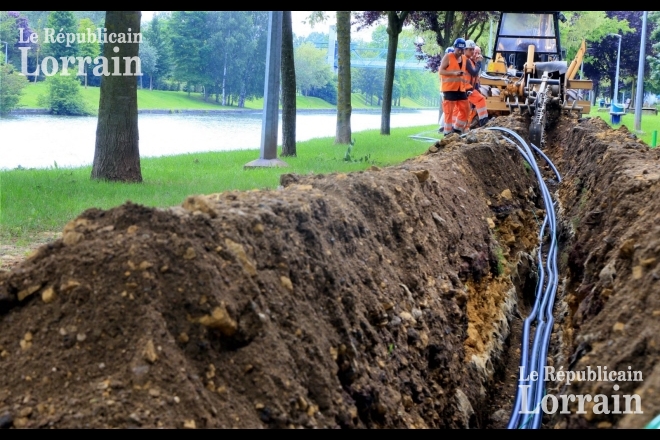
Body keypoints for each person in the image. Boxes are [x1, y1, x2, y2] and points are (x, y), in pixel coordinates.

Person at [438, 38, 470, 136]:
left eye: (462, 50)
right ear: (454, 48)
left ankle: (457, 129)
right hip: (449, 89)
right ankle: (447, 133)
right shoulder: (448, 57)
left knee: (466, 109)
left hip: (460, 89)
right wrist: (454, 73)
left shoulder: (464, 58)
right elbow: (441, 71)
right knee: (449, 112)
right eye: (458, 49)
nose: (460, 52)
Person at [464, 41, 489, 127]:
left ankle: (463, 128)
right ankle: (484, 121)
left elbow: (475, 79)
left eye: (479, 53)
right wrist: (479, 62)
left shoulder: (472, 62)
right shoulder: (468, 61)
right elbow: (473, 73)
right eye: (474, 52)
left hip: (469, 89)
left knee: (467, 110)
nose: (477, 55)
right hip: (465, 89)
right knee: (479, 100)